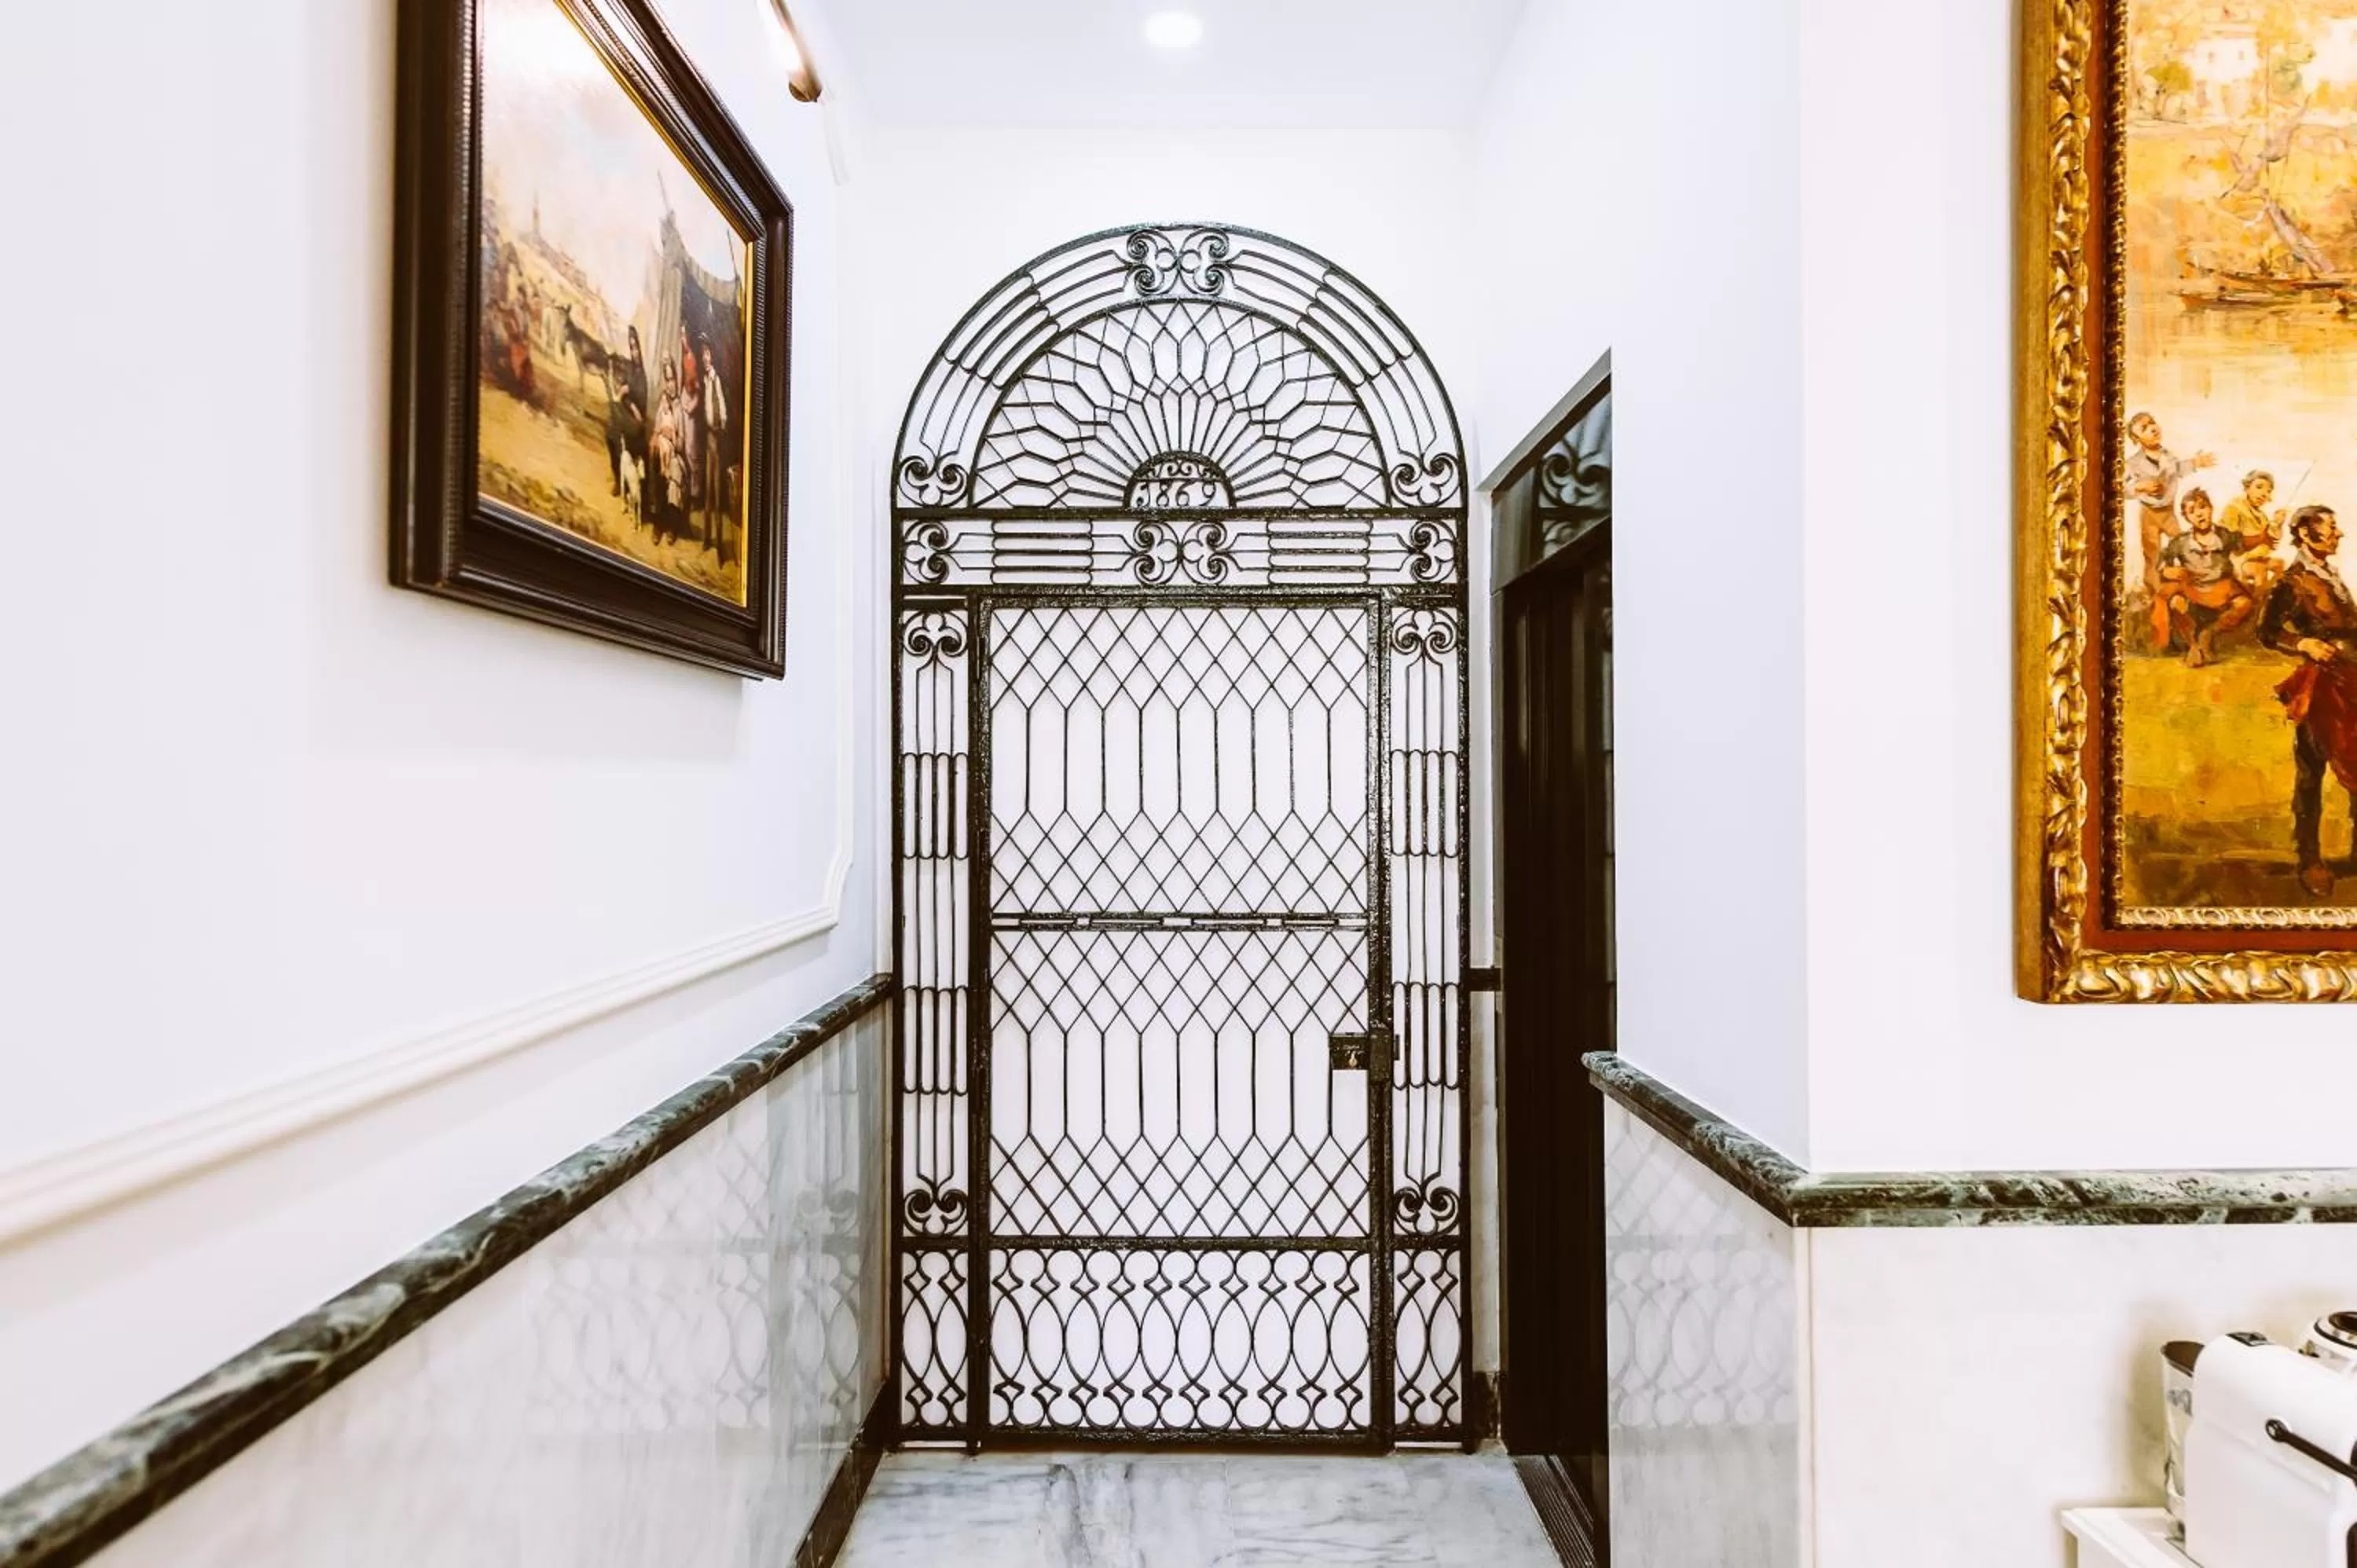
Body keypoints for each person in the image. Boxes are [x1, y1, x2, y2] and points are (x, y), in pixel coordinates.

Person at [2260, 504, 2357, 896]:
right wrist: (2303, 643)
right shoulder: (2292, 581)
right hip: (2321, 687)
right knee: (2311, 771)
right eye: (2331, 528)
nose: (2339, 534)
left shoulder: (2330, 575)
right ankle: (2310, 861)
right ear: (2305, 534)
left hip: (2351, 679)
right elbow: (2267, 631)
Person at [2154, 489, 2257, 665]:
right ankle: (2194, 646)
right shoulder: (2181, 542)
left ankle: (2208, 633)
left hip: (2222, 589)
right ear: (2187, 518)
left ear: (2211, 508)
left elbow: (2246, 542)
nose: (2199, 514)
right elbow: (2162, 562)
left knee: (2244, 604)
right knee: (2176, 602)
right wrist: (2166, 571)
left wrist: (2269, 533)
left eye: (2202, 507)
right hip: (2194, 590)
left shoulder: (2224, 535)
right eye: (2192, 511)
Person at [2126, 412, 2215, 598]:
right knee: (2152, 554)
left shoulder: (2168, 456)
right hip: (2149, 514)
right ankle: (2152, 591)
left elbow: (2179, 469)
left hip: (2168, 513)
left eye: (2152, 423)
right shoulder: (2133, 463)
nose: (2152, 429)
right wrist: (2140, 487)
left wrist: (2196, 462)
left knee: (2183, 544)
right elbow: (2120, 488)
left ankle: (2193, 582)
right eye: (2144, 428)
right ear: (2136, 439)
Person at [2221, 469, 2287, 593]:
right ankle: (2257, 601)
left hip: (2253, 557)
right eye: (2259, 487)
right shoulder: (2234, 508)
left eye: (2268, 491)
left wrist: (2278, 524)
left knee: (2279, 564)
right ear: (2247, 487)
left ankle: (2266, 595)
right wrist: (2262, 538)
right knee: (2259, 571)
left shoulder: (2262, 516)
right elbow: (2232, 543)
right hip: (2234, 559)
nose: (2263, 494)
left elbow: (2272, 542)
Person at [606, 325, 648, 507]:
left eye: (636, 348)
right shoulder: (630, 370)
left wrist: (632, 404)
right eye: (632, 348)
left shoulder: (642, 375)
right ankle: (618, 478)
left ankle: (629, 486)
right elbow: (625, 393)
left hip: (637, 421)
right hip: (627, 414)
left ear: (640, 349)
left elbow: (641, 403)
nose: (634, 352)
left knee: (621, 431)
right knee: (611, 434)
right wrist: (626, 396)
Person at [697, 336, 729, 557]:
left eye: (707, 354)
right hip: (707, 438)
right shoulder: (704, 382)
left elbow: (723, 409)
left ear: (713, 356)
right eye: (703, 355)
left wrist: (720, 427)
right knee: (708, 490)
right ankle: (707, 538)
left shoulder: (717, 381)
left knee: (717, 491)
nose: (705, 359)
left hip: (717, 438)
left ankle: (719, 543)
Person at [650, 361, 687, 544]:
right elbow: (657, 429)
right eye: (668, 380)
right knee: (658, 472)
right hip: (663, 450)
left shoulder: (679, 407)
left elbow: (682, 442)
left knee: (673, 478)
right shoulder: (662, 403)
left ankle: (672, 527)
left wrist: (672, 438)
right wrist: (657, 438)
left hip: (676, 454)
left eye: (673, 379)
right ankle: (658, 524)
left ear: (677, 381)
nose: (670, 384)